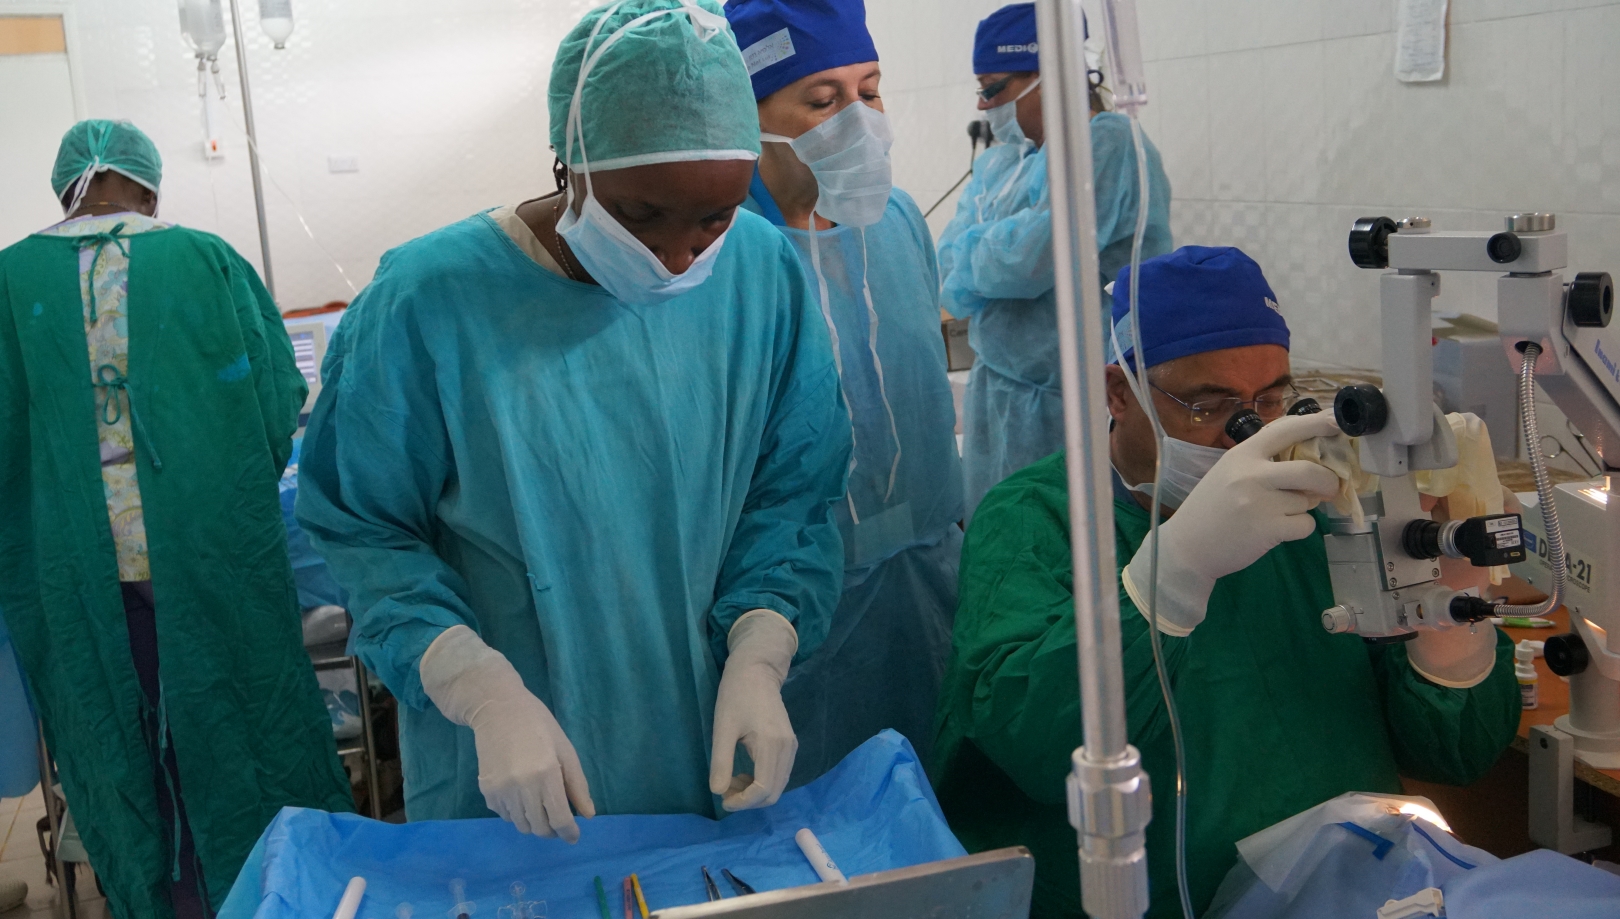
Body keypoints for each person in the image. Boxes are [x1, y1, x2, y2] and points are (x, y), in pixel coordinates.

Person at [297, 0, 852, 840]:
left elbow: (794, 494)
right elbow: (366, 528)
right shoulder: (429, 299)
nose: (678, 257)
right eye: (641, 216)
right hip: (511, 770)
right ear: (571, 164)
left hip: (703, 754)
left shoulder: (763, 276)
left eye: (714, 218)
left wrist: (762, 644)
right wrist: (479, 688)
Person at [931, 247, 1519, 918]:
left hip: (1350, 890)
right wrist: (1171, 573)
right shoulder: (1036, 520)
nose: (1251, 431)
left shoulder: (1320, 510)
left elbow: (1457, 751)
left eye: (1270, 399)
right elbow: (1033, 743)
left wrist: (1452, 614)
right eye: (1210, 406)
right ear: (1118, 392)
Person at [0, 120, 352, 919]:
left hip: (73, 575)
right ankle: (268, 892)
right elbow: (274, 402)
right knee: (240, 722)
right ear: (151, 186)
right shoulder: (206, 259)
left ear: (64, 190)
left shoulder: (8, 279)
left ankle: (160, 898)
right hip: (207, 555)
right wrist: (212, 487)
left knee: (111, 736)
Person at [722, 0, 964, 784]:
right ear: (748, 115)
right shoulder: (725, 260)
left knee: (936, 793)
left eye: (871, 90)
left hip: (928, 571)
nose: (857, 119)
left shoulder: (896, 220)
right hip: (795, 607)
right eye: (822, 102)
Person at [939, 2, 1173, 519]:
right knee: (996, 541)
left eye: (994, 88)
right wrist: (994, 248)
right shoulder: (1004, 160)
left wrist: (986, 246)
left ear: (1052, 76)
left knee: (1066, 559)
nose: (984, 105)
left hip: (1077, 402)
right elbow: (948, 262)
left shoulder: (1109, 146)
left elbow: (1030, 259)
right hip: (997, 394)